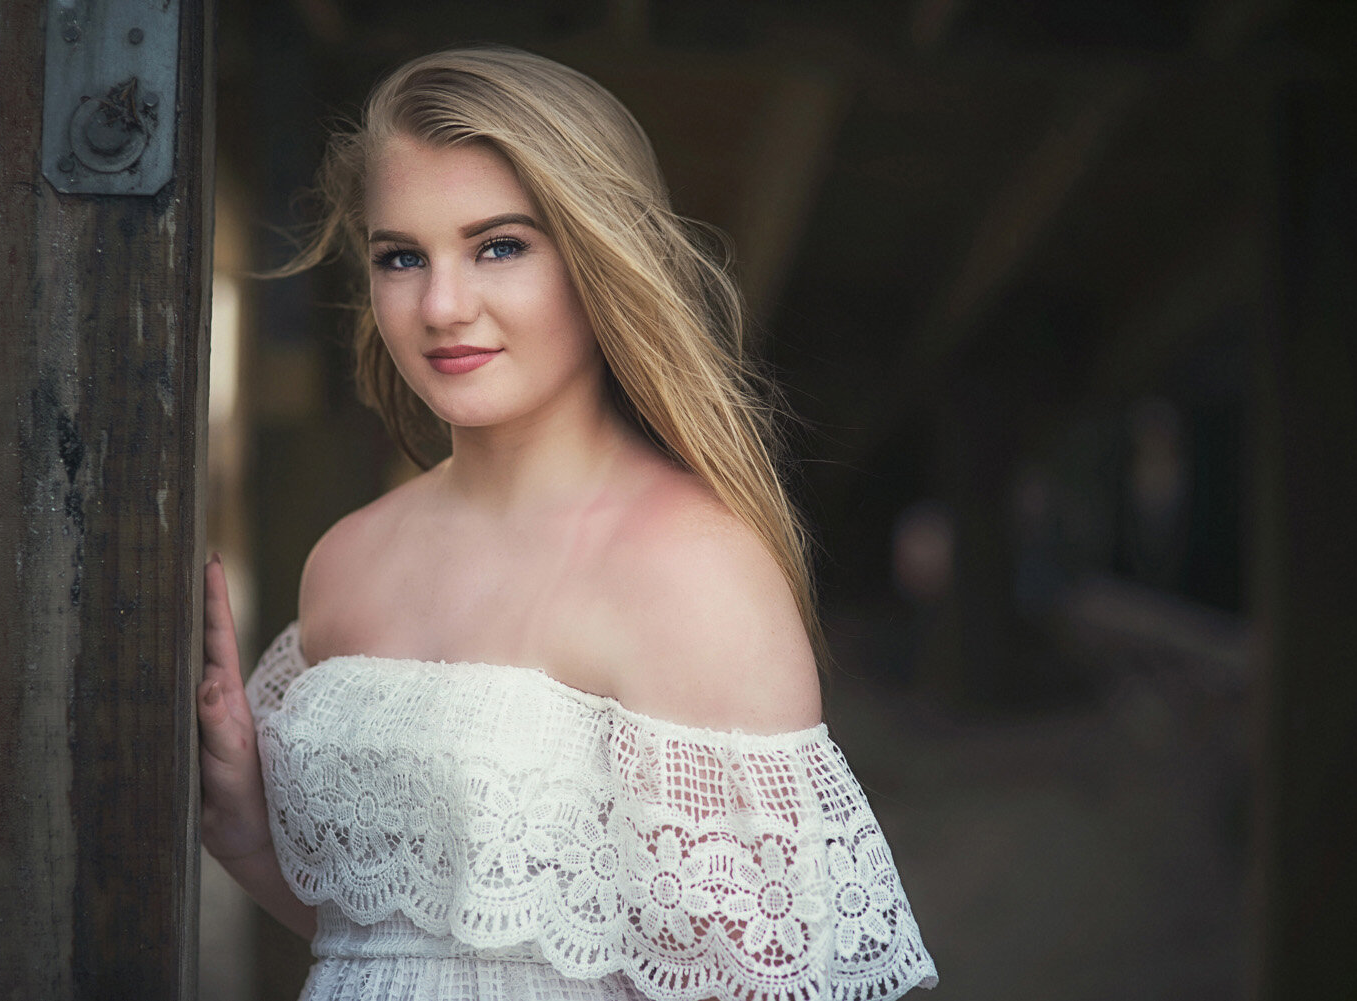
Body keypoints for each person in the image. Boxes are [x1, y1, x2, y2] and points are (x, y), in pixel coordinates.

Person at [199, 45, 937, 1001]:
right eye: (401, 257)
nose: (443, 305)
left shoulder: (691, 571)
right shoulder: (345, 561)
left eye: (499, 245)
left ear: (596, 256)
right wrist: (253, 835)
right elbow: (393, 944)